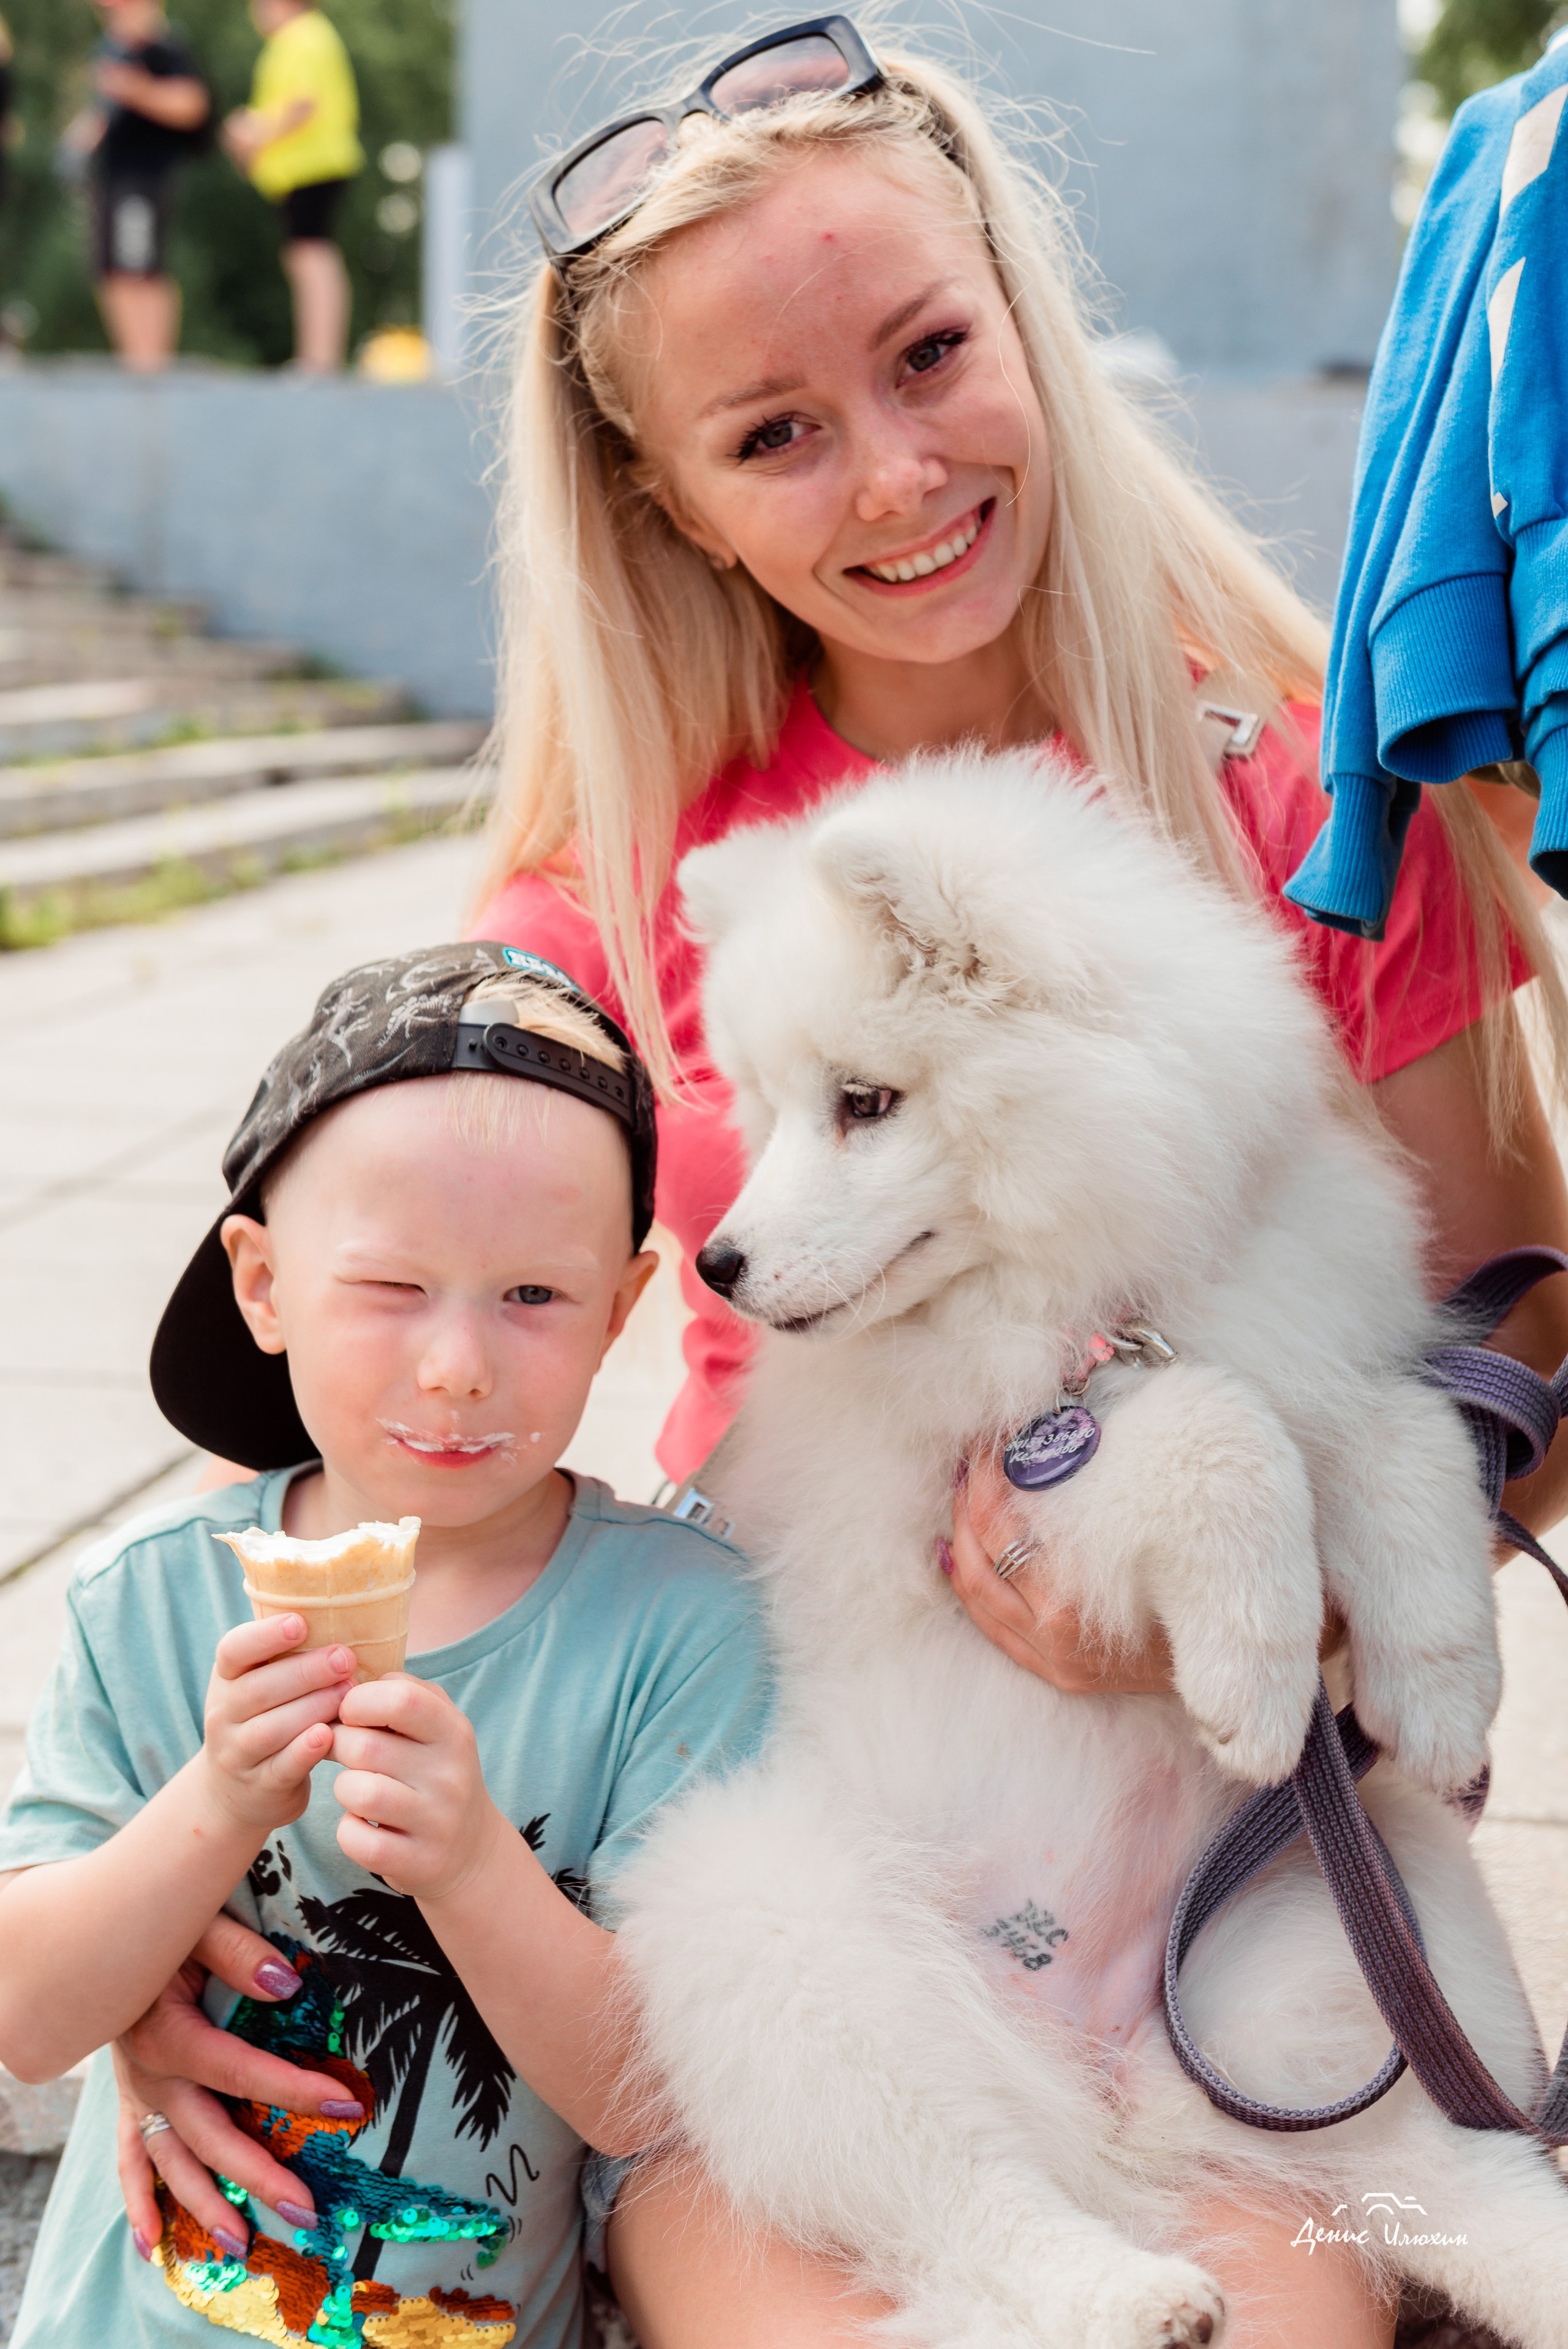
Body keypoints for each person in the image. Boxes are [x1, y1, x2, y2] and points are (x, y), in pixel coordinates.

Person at [105, 19, 1568, 2347]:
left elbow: (1508, 1303)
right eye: (774, 433)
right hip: (825, 1813)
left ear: (1017, 309)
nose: (893, 475)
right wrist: (184, 1904)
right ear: (670, 497)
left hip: (1245, 1850)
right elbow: (376, 1404)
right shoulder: (600, 910)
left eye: (923, 354)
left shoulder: (1302, 797)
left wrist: (1292, 1581)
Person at [0, 945, 769, 2349]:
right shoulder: (153, 1604)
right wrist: (218, 1800)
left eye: (531, 1295)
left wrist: (476, 1860)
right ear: (263, 1282)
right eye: (391, 1286)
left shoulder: (681, 1626)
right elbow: (32, 2015)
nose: (459, 1363)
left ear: (623, 1300)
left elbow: (653, 2095)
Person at [63, 0, 210, 372]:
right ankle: (136, 365)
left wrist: (135, 89)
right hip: (111, 178)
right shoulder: (115, 52)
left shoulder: (164, 50)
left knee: (139, 270)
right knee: (112, 272)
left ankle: (151, 369)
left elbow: (193, 104)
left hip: (144, 178)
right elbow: (107, 114)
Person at [222, 0, 363, 373]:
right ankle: (318, 357)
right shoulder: (303, 37)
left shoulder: (303, 37)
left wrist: (256, 134)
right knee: (307, 256)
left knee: (311, 256)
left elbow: (303, 106)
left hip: (314, 166)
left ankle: (320, 359)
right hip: (306, 168)